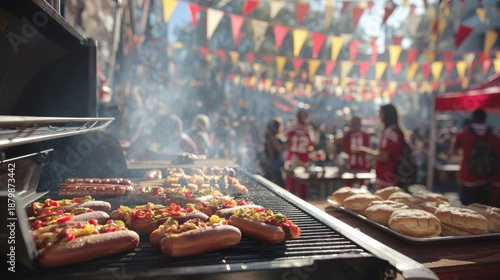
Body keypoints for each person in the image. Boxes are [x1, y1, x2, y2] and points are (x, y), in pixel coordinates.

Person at [450, 109, 500, 206]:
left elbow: (454, 152)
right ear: (485, 118)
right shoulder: (494, 136)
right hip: (487, 177)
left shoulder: (462, 134)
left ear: (473, 118)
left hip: (467, 176)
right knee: (484, 210)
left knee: (466, 209)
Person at [352, 104, 405, 192]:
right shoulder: (393, 131)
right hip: (388, 177)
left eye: (380, 113)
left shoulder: (390, 133)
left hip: (387, 179)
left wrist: (365, 151)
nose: (378, 115)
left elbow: (383, 157)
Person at [283, 109, 315, 199]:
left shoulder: (290, 129)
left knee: (290, 187)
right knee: (302, 187)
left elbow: (284, 142)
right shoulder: (308, 131)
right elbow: (311, 145)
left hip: (291, 159)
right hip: (304, 160)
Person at [262, 116, 286, 187]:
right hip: (274, 163)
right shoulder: (274, 138)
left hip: (269, 162)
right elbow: (279, 149)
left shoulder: (268, 136)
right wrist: (287, 145)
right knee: (279, 184)